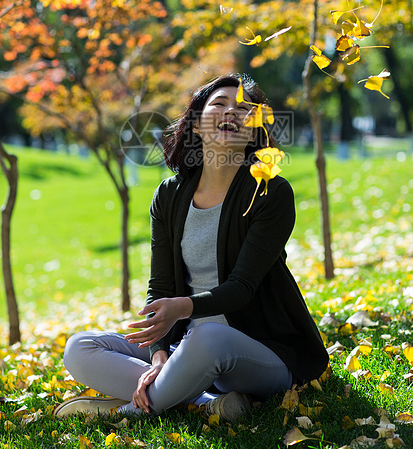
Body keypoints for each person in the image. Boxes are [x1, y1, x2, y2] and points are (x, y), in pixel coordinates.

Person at [55, 74, 328, 422]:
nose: (232, 112)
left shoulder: (270, 193)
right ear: (197, 125)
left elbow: (242, 289)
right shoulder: (169, 195)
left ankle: (128, 413)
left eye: (245, 109)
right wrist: (158, 357)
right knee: (80, 347)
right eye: (219, 104)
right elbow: (161, 289)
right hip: (186, 347)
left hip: (258, 353)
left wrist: (182, 309)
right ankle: (204, 402)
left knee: (209, 337)